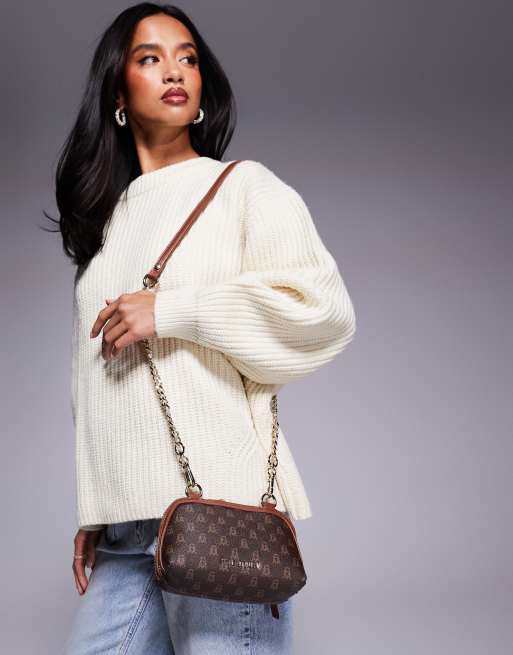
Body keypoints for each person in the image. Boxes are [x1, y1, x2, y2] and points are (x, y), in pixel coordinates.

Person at [54, 3, 356, 653]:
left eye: (187, 58)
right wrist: (98, 507)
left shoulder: (244, 189)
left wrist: (171, 311)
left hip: (220, 513)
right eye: (150, 58)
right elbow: (95, 386)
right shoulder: (105, 229)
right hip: (126, 534)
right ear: (117, 94)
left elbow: (324, 311)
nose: (174, 71)